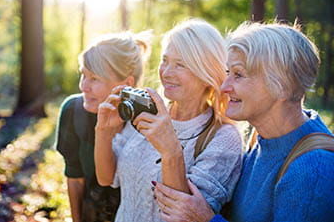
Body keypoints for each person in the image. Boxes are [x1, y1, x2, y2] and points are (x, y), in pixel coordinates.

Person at [153, 21, 334, 222]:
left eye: (238, 75)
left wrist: (206, 219)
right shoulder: (260, 139)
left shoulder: (311, 171)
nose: (224, 87)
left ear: (282, 86)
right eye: (228, 72)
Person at [94, 19, 243, 222]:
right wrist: (103, 131)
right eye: (165, 60)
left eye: (180, 65)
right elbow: (106, 178)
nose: (166, 72)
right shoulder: (148, 111)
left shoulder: (224, 139)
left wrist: (170, 150)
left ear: (206, 72)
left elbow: (186, 215)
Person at [54, 31, 151, 222]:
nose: (83, 86)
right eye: (83, 75)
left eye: (94, 79)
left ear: (127, 84)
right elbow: (75, 179)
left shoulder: (148, 122)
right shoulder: (73, 111)